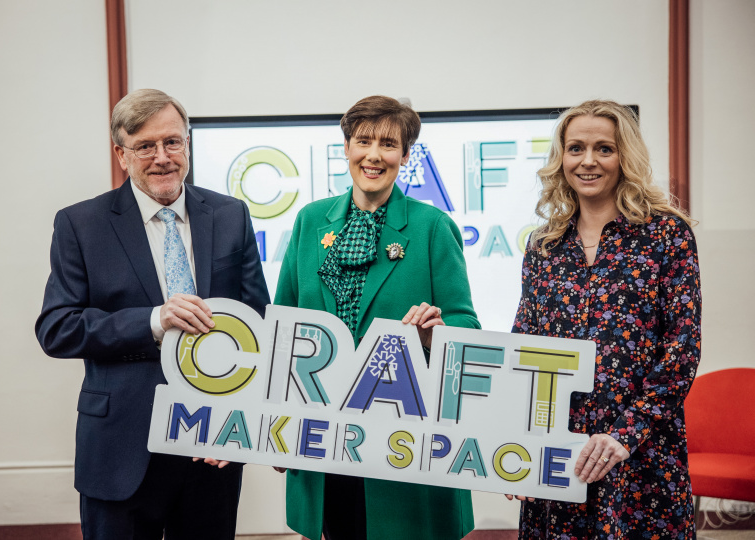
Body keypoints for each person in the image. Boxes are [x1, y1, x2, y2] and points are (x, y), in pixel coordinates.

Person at [35, 88, 270, 539]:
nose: (162, 157)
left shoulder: (231, 215)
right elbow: (56, 328)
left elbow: (256, 327)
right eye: (145, 146)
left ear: (187, 144)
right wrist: (153, 321)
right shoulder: (81, 225)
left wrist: (241, 417)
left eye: (172, 142)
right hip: (121, 447)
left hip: (210, 442)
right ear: (121, 154)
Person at [274, 95, 481, 540]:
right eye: (363, 140)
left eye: (388, 144)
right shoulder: (310, 222)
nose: (373, 154)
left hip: (405, 446)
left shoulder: (431, 227)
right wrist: (274, 425)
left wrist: (435, 334)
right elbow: (283, 332)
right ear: (346, 147)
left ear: (406, 156)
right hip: (324, 439)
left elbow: (466, 326)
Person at [509, 99, 701, 538]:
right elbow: (525, 349)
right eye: (576, 148)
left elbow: (682, 349)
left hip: (640, 453)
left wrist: (624, 434)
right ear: (561, 158)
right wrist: (516, 445)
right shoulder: (543, 246)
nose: (588, 161)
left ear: (624, 157)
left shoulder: (667, 236)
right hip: (560, 454)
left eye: (604, 149)